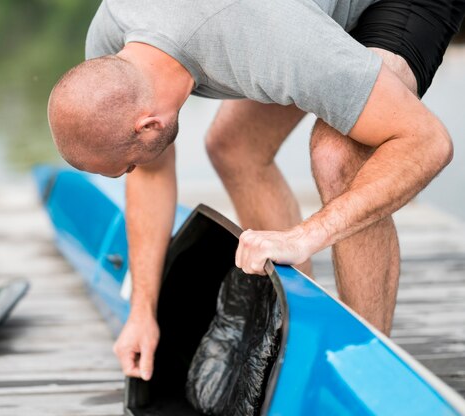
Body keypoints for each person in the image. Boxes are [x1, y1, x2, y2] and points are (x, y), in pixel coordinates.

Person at [47, 0, 465, 382]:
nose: (135, 170)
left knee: (338, 155)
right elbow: (152, 174)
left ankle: (364, 366)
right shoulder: (112, 43)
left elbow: (428, 141)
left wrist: (306, 235)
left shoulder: (264, 38)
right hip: (287, 23)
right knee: (234, 148)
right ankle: (301, 325)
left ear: (148, 124)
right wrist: (142, 310)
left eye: (129, 165)